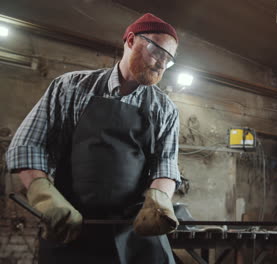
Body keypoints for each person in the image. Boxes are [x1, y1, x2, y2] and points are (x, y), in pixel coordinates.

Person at [6, 13, 181, 264]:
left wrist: (160, 199)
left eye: (168, 60)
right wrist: (44, 196)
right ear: (131, 40)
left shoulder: (164, 109)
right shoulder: (70, 87)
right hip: (72, 224)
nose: (161, 64)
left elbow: (166, 164)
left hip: (135, 229)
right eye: (157, 51)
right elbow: (27, 144)